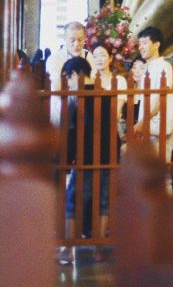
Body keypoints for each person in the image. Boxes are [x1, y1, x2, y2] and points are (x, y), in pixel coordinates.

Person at [60, 55, 117, 259]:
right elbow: (113, 132)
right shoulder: (107, 95)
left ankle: (68, 249)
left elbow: (72, 133)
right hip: (106, 157)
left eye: (69, 78)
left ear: (76, 73)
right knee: (103, 201)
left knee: (72, 199)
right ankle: (99, 248)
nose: (69, 83)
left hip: (84, 159)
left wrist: (67, 159)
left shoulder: (78, 100)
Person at [133, 27, 173, 164]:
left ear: (157, 44)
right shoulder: (147, 67)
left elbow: (160, 100)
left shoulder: (164, 66)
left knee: (160, 177)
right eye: (139, 44)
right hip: (149, 127)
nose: (141, 47)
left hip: (160, 127)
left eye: (144, 43)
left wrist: (142, 122)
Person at [46, 21, 92, 125]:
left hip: (86, 109)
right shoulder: (54, 59)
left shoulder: (89, 56)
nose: (76, 44)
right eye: (72, 40)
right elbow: (58, 86)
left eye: (80, 40)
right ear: (64, 39)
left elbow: (94, 83)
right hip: (61, 109)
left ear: (85, 38)